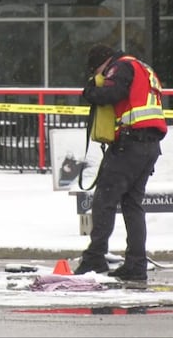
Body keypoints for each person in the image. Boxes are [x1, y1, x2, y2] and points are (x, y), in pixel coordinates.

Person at [73, 43, 168, 280]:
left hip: (130, 143)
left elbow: (112, 94)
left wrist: (88, 92)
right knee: (132, 204)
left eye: (99, 72)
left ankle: (94, 259)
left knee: (104, 199)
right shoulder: (144, 68)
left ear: (104, 63)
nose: (101, 77)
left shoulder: (120, 66)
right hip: (150, 146)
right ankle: (136, 264)